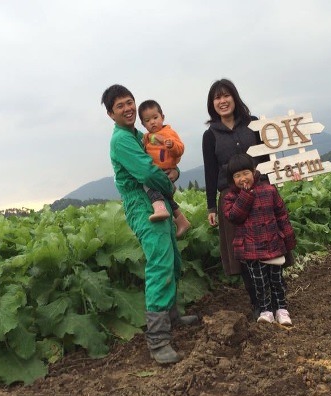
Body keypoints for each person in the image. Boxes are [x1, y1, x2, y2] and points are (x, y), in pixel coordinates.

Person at [101, 84, 197, 365]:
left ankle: (172, 315)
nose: (128, 108)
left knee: (172, 258)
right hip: (141, 205)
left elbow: (164, 158)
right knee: (160, 262)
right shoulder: (121, 139)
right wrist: (168, 181)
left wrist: (175, 170)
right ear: (111, 114)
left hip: (157, 200)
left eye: (130, 102)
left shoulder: (139, 135)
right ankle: (157, 340)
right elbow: (146, 170)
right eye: (120, 106)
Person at [202, 78, 270, 317]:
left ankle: (276, 300)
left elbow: (268, 158)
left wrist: (274, 183)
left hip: (260, 191)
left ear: (235, 97)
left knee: (268, 244)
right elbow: (210, 172)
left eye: (226, 95)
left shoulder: (254, 124)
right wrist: (211, 206)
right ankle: (258, 303)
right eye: (217, 97)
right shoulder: (210, 135)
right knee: (244, 252)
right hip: (231, 199)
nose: (222, 101)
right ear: (212, 104)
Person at [222, 153, 296, 325]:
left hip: (273, 243)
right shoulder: (230, 197)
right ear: (232, 179)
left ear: (254, 172)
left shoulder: (269, 190)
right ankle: (265, 310)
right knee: (259, 283)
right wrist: (246, 195)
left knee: (277, 280)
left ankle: (282, 310)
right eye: (237, 176)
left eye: (246, 173)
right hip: (250, 249)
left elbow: (282, 215)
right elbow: (234, 217)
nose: (243, 178)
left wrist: (288, 238)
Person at [138, 100, 191, 238]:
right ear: (143, 124)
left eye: (155, 118)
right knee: (167, 197)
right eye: (147, 120)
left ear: (163, 117)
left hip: (164, 172)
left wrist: (171, 145)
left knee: (147, 183)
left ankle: (159, 208)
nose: (152, 122)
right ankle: (182, 221)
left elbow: (180, 149)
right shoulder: (146, 137)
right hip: (158, 171)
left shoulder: (169, 133)